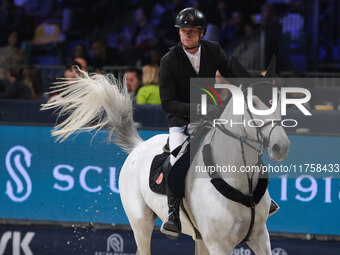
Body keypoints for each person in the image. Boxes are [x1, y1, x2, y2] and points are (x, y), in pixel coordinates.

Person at [159, 7, 279, 239]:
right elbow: (168, 103)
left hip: (213, 113)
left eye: (192, 31)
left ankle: (263, 198)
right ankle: (173, 214)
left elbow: (234, 75)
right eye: (183, 31)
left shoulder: (213, 50)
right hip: (182, 120)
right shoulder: (169, 60)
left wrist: (256, 83)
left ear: (202, 33)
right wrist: (196, 108)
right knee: (176, 159)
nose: (186, 35)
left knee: (247, 142)